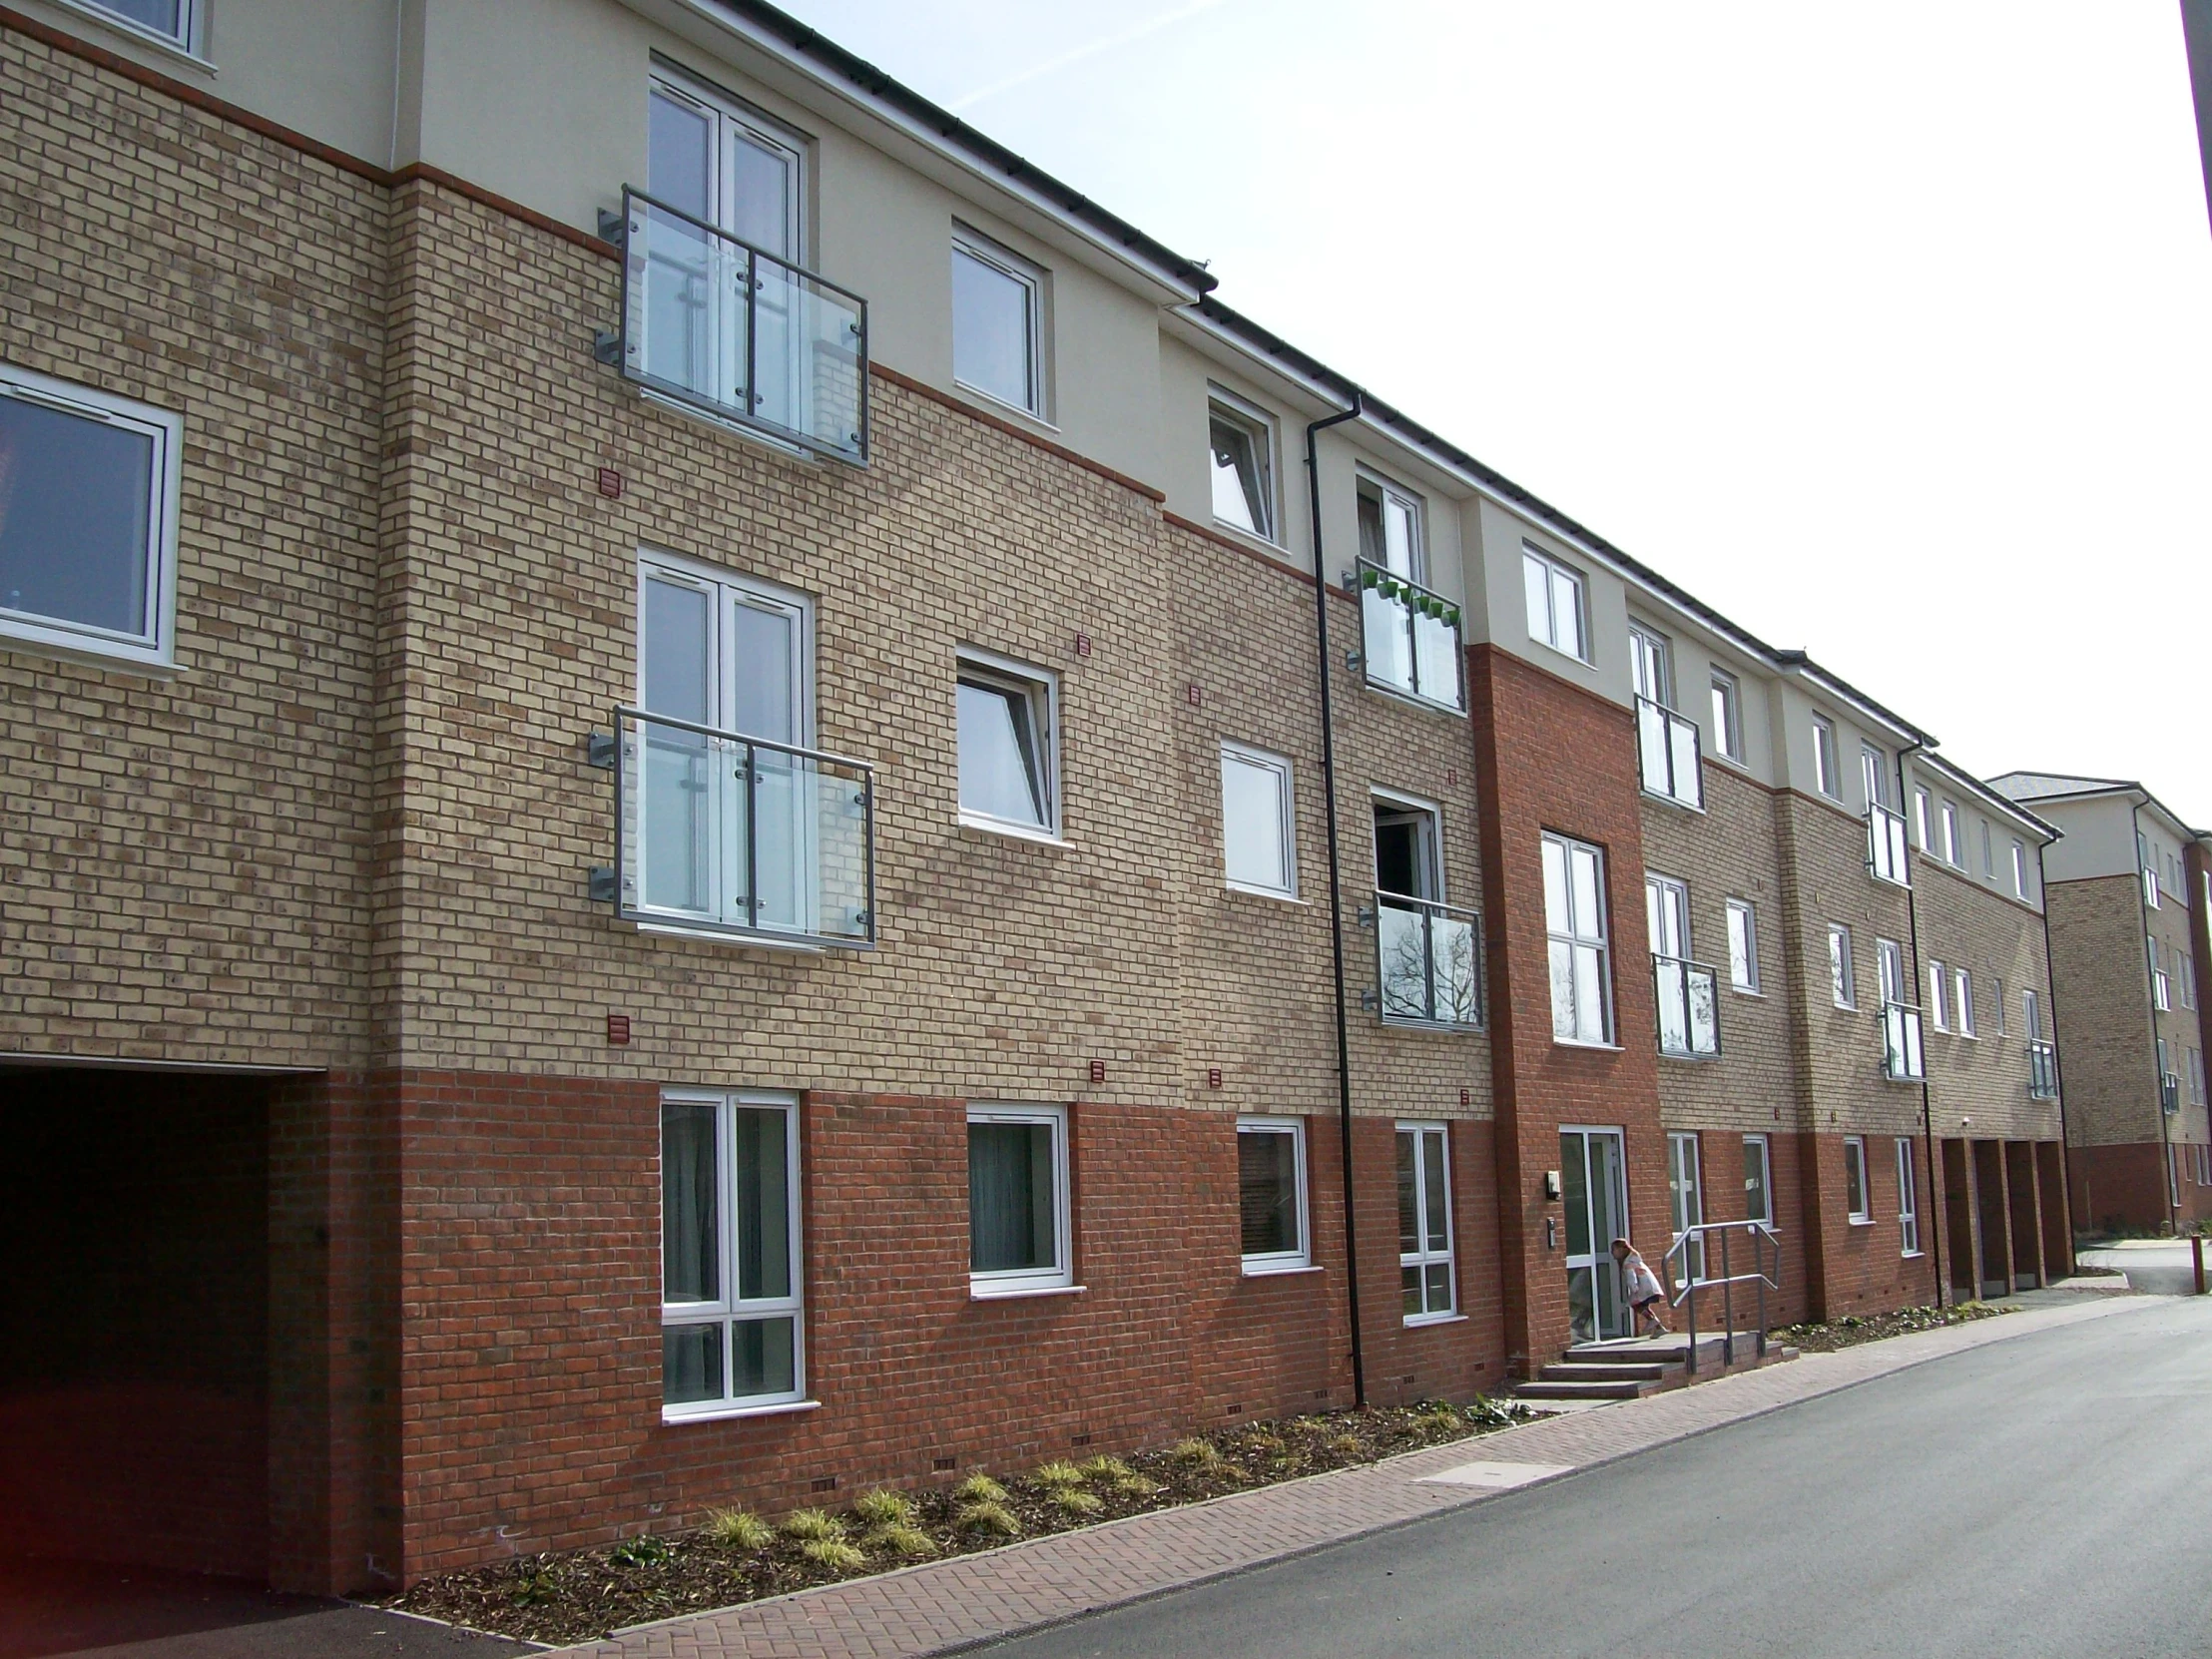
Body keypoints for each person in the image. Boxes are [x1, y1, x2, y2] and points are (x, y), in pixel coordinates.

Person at [1613, 1237, 1670, 1337]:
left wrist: (1633, 1288)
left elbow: (1631, 1277)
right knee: (1643, 1306)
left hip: (1643, 1287)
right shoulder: (1634, 1259)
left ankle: (1653, 1320)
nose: (1612, 1252)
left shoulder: (1628, 1263)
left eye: (1614, 1250)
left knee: (1636, 1305)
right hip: (1648, 1286)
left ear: (1621, 1250)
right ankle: (1659, 1328)